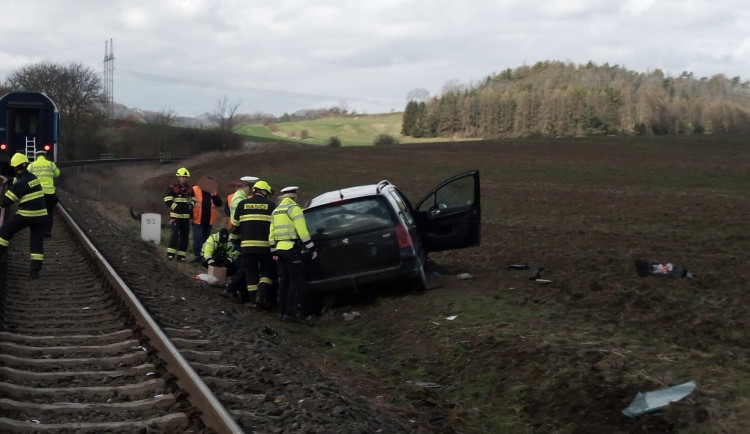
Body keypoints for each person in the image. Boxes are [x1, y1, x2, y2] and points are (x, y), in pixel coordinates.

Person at [269, 186, 318, 323]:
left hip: (279, 249)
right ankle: (291, 314)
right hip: (291, 249)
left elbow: (271, 234)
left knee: (283, 281)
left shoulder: (276, 211)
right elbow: (302, 231)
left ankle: (282, 312)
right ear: (294, 196)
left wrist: (273, 251)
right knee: (294, 282)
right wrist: (312, 248)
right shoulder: (294, 209)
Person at [0, 153, 49, 278]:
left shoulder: (19, 185)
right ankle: (35, 271)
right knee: (36, 241)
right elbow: (20, 180)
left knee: (5, 231)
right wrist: (9, 180)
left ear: (15, 168)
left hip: (28, 214)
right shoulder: (32, 177)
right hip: (42, 215)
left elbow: (4, 202)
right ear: (26, 165)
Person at [231, 180, 276, 306]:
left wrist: (234, 239)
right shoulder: (271, 205)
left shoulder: (242, 204)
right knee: (267, 271)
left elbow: (235, 226)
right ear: (264, 191)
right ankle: (261, 296)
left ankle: (253, 300)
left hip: (247, 247)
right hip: (266, 247)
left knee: (251, 272)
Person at [222, 175, 257, 299]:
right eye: (252, 188)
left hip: (240, 235)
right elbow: (240, 220)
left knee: (244, 264)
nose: (253, 191)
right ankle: (233, 288)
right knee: (244, 265)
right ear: (246, 186)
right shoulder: (239, 199)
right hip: (241, 235)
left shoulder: (241, 197)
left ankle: (238, 290)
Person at [164, 167, 195, 261]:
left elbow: (194, 200)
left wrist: (190, 206)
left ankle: (181, 256)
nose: (184, 178)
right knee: (174, 235)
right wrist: (177, 208)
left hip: (186, 218)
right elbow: (167, 200)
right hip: (176, 217)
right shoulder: (172, 188)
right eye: (183, 177)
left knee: (185, 237)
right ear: (178, 177)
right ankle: (170, 254)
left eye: (186, 177)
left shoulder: (190, 190)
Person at [27, 150, 60, 237]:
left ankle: (37, 231)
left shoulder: (32, 165)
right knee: (49, 211)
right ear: (44, 156)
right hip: (49, 193)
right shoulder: (51, 164)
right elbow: (57, 174)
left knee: (36, 212)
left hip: (36, 193)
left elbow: (26, 177)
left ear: (36, 156)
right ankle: (47, 231)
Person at [191, 178, 223, 263]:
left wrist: (213, 195)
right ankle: (197, 256)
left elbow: (219, 203)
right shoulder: (195, 189)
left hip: (209, 220)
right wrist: (190, 217)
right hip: (197, 219)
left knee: (205, 240)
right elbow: (190, 204)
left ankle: (204, 256)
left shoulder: (213, 191)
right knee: (197, 238)